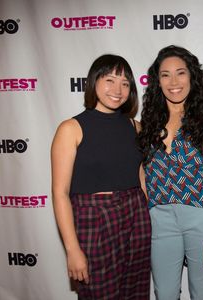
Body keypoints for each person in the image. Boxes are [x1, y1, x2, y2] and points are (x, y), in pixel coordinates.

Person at [51, 54, 151, 299]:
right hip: (94, 220)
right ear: (94, 82)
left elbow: (141, 176)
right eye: (109, 80)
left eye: (125, 83)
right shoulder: (70, 128)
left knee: (135, 294)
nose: (118, 89)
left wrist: (147, 212)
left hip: (136, 216)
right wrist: (72, 249)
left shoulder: (135, 127)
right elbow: (60, 193)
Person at [138, 45, 203, 300]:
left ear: (192, 77)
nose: (174, 81)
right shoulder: (149, 123)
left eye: (180, 73)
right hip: (160, 219)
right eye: (165, 75)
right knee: (164, 293)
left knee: (201, 293)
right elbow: (142, 172)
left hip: (200, 218)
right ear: (157, 81)